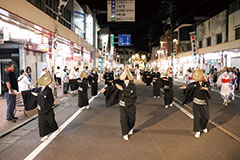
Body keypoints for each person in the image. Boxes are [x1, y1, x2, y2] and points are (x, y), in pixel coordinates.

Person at [101, 67, 137, 141]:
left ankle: (130, 127)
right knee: (123, 118)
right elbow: (112, 86)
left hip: (131, 104)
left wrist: (123, 89)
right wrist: (105, 89)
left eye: (127, 78)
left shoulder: (132, 86)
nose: (126, 80)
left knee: (131, 118)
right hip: (122, 103)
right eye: (125, 78)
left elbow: (133, 94)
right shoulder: (120, 83)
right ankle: (125, 133)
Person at [180, 67, 211, 138]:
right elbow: (189, 86)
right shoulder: (195, 84)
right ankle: (197, 131)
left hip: (204, 103)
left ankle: (204, 127)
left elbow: (209, 88)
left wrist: (205, 88)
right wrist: (185, 87)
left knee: (206, 116)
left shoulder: (205, 83)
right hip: (196, 103)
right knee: (197, 117)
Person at [30, 71, 58, 142]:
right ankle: (45, 135)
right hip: (41, 108)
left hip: (47, 109)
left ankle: (55, 129)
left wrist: (38, 95)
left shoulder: (48, 90)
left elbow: (48, 98)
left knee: (51, 121)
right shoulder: (39, 89)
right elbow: (34, 91)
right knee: (42, 123)